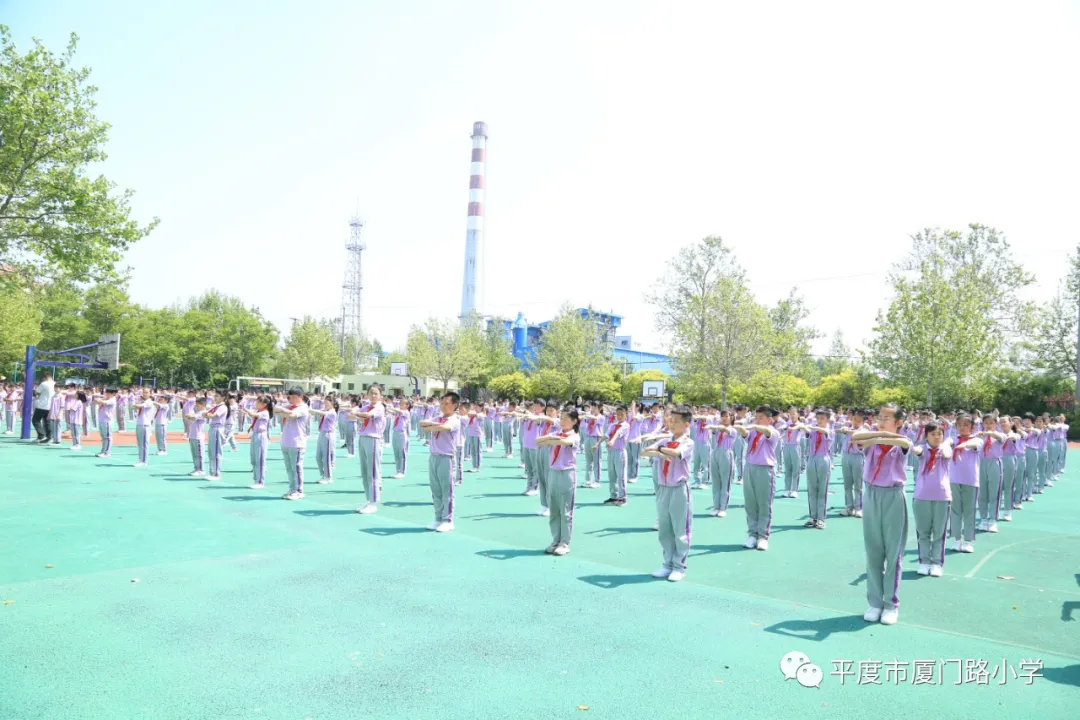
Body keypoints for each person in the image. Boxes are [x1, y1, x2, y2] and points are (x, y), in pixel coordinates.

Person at [850, 403, 913, 626]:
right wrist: (877, 435)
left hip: (893, 496)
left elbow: (904, 442)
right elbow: (856, 437)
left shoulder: (902, 443)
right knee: (874, 550)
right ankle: (875, 602)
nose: (882, 420)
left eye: (888, 418)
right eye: (880, 416)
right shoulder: (871, 443)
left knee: (893, 552)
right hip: (872, 495)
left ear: (899, 423)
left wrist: (877, 437)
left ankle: (890, 604)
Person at [641, 405, 694, 581]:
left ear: (686, 425)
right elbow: (643, 451)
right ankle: (667, 564)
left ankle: (680, 566)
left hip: (679, 488)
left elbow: (675, 453)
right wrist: (659, 450)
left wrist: (659, 450)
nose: (672, 423)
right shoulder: (665, 440)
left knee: (680, 529)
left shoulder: (688, 442)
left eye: (677, 421)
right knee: (665, 529)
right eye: (671, 420)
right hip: (663, 488)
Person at [536, 406, 581, 555]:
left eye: (566, 419)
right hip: (553, 472)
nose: (562, 421)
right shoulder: (556, 433)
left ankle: (565, 543)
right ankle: (555, 540)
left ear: (574, 421)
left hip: (567, 474)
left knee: (566, 510)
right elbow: (538, 440)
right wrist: (552, 438)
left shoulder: (575, 436)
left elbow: (565, 442)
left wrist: (552, 439)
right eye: (561, 418)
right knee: (554, 509)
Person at [734, 405, 779, 551]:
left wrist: (754, 426)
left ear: (769, 419)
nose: (757, 420)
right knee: (750, 503)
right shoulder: (754, 432)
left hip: (765, 469)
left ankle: (763, 536)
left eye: (761, 418)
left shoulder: (772, 431)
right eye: (756, 417)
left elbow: (766, 431)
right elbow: (746, 435)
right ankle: (752, 534)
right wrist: (740, 428)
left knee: (764, 504)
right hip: (750, 468)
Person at [910, 422, 951, 577]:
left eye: (939, 434)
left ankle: (936, 563)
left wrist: (945, 444)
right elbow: (918, 451)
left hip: (942, 496)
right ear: (926, 435)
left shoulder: (945, 449)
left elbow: (947, 454)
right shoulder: (923, 450)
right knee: (923, 531)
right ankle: (924, 561)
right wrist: (917, 448)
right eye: (932, 434)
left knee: (939, 532)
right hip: (922, 496)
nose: (936, 437)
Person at [421, 392, 462, 532]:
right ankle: (438, 517)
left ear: (455, 405)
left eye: (447, 403)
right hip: (433, 456)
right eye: (442, 403)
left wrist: (432, 426)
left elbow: (445, 428)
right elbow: (422, 424)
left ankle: (448, 520)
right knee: (435, 490)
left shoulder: (455, 419)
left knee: (447, 490)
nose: (443, 406)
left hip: (446, 457)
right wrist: (434, 425)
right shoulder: (438, 418)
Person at [948, 414, 984, 553]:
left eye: (966, 425)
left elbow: (974, 445)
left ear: (972, 427)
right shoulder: (952, 439)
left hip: (970, 480)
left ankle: (968, 540)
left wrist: (964, 444)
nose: (962, 428)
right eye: (960, 425)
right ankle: (957, 539)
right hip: (954, 479)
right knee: (955, 510)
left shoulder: (976, 440)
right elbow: (945, 444)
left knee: (969, 510)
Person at [351, 384, 386, 514]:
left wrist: (357, 413)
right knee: (365, 471)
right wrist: (357, 413)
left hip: (373, 439)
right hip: (363, 438)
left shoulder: (379, 407)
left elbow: (365, 415)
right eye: (371, 393)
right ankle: (368, 499)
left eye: (376, 393)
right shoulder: (367, 406)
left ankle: (374, 502)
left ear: (380, 396)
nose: (373, 395)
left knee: (373, 471)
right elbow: (352, 414)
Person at [801, 408, 834, 529]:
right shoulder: (813, 431)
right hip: (812, 458)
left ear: (828, 419)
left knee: (822, 489)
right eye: (818, 418)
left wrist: (812, 427)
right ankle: (812, 517)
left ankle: (821, 518)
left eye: (822, 418)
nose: (819, 421)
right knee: (812, 488)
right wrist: (803, 426)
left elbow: (824, 431)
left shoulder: (829, 431)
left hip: (823, 459)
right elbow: (808, 433)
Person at [276, 388, 310, 500]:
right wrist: (283, 410)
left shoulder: (303, 408)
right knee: (289, 468)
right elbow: (275, 410)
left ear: (301, 397)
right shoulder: (289, 406)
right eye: (291, 397)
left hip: (297, 442)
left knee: (296, 467)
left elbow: (291, 415)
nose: (292, 399)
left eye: (295, 397)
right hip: (286, 441)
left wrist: (282, 410)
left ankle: (299, 491)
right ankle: (292, 489)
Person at [706, 410, 738, 518]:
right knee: (716, 482)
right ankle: (716, 506)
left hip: (726, 453)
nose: (724, 418)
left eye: (726, 416)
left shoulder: (732, 429)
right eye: (722, 416)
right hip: (715, 452)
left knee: (725, 482)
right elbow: (714, 430)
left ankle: (723, 507)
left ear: (731, 418)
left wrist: (715, 425)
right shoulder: (718, 429)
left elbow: (725, 429)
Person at [242, 395, 273, 489]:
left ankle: (260, 481)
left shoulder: (265, 412)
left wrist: (245, 409)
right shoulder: (259, 411)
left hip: (261, 435)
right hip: (255, 434)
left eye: (258, 402)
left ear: (264, 404)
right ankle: (255, 479)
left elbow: (253, 415)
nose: (256, 403)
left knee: (260, 459)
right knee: (254, 458)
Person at [604, 404, 630, 506]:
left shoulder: (626, 425)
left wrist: (612, 441)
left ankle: (623, 497)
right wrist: (598, 444)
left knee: (621, 475)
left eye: (622, 414)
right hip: (611, 452)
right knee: (612, 475)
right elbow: (606, 435)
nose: (619, 416)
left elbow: (618, 434)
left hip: (620, 452)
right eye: (618, 414)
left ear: (626, 415)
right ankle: (613, 496)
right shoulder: (613, 425)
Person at [310, 395, 339, 485]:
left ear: (333, 403)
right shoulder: (326, 411)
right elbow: (318, 412)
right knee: (318, 457)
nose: (325, 404)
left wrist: (311, 410)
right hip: (322, 433)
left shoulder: (332, 412)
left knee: (326, 457)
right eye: (325, 402)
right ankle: (323, 475)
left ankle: (328, 477)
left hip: (328, 434)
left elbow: (320, 413)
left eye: (327, 402)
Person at [185, 398, 208, 477]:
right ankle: (196, 468)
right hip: (192, 435)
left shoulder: (203, 412)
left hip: (198, 436)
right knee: (194, 454)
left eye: (198, 404)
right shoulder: (198, 412)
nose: (196, 405)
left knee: (199, 454)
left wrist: (189, 416)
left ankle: (201, 470)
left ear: (203, 405)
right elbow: (190, 416)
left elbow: (192, 417)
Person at [32, 372, 55, 442]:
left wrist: (35, 392)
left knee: (35, 420)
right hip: (51, 405)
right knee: (47, 422)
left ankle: (41, 435)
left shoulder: (44, 384)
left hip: (42, 405)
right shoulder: (54, 384)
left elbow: (36, 392)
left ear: (45, 378)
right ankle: (49, 437)